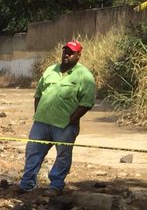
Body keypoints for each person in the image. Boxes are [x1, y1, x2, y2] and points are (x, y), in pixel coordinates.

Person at [18, 40, 96, 195]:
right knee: (33, 152)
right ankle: (27, 184)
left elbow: (86, 103)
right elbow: (38, 93)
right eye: (65, 51)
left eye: (71, 52)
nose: (66, 54)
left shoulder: (85, 76)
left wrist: (71, 120)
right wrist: (38, 114)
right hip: (41, 123)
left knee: (63, 156)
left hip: (64, 126)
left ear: (78, 55)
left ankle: (55, 186)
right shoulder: (50, 70)